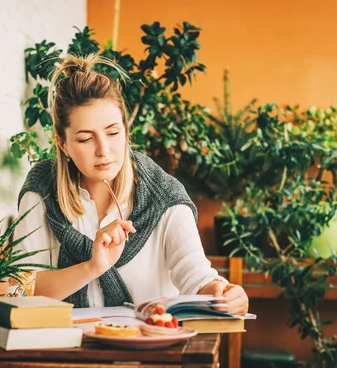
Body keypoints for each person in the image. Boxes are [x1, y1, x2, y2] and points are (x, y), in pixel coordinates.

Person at [15, 53, 249, 315]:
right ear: (62, 143)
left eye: (113, 133)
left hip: (147, 350)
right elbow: (20, 288)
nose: (104, 150)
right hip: (61, 349)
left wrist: (223, 294)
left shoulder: (164, 196)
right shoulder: (41, 190)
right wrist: (92, 267)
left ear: (126, 129)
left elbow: (196, 277)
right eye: (85, 139)